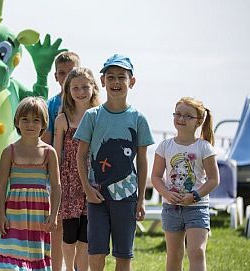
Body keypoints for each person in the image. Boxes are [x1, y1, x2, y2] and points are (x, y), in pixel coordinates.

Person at [74, 54, 154, 271]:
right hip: (97, 197)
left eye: (121, 77)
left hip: (127, 199)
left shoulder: (138, 118)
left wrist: (141, 199)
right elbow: (80, 155)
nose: (116, 82)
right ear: (102, 81)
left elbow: (143, 160)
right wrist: (87, 189)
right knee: (96, 252)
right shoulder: (92, 116)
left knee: (123, 254)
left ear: (132, 82)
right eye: (111, 77)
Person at [0, 97, 61, 270]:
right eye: (25, 119)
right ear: (17, 122)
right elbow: (1, 186)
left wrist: (54, 215)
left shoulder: (49, 153)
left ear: (44, 123)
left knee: (35, 255)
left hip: (39, 213)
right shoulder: (9, 151)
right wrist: (1, 214)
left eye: (36, 120)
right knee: (12, 255)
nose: (30, 124)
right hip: (15, 213)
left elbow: (56, 186)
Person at [151, 97, 219, 271]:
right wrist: (166, 194)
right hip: (171, 208)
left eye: (188, 116)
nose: (181, 119)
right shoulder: (164, 146)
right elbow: (156, 177)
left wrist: (194, 196)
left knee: (196, 252)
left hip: (197, 208)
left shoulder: (204, 148)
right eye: (178, 114)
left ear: (199, 121)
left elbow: (213, 179)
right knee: (174, 254)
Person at [53, 67, 100, 271]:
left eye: (84, 87)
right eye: (75, 88)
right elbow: (56, 153)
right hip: (69, 182)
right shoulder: (63, 119)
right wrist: (55, 185)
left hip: (92, 180)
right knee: (69, 234)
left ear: (93, 88)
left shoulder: (99, 117)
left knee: (85, 237)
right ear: (68, 91)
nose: (80, 92)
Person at [41, 51, 80, 271]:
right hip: (58, 175)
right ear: (56, 77)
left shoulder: (90, 105)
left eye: (71, 72)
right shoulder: (52, 105)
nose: (66, 77)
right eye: (62, 73)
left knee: (79, 228)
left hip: (83, 175)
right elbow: (46, 140)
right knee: (58, 228)